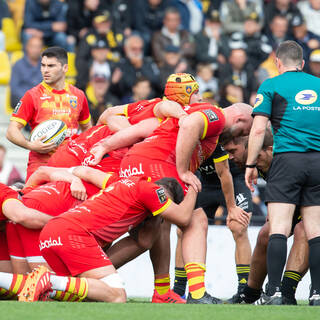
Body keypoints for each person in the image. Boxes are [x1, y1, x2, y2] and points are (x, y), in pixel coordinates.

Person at [18, 176, 198, 303]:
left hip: (52, 231)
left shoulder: (123, 183)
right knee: (117, 295)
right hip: (73, 233)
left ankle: (42, 284)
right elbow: (183, 218)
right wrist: (194, 189)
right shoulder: (153, 190)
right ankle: (49, 280)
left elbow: (144, 242)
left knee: (82, 294)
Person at [245, 40, 320, 306]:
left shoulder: (271, 85)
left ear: (278, 63)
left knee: (278, 226)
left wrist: (251, 165)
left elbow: (257, 130)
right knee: (315, 230)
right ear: (302, 63)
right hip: (318, 161)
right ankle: (317, 294)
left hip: (287, 160)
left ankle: (275, 292)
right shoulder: (319, 85)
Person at [224, 133, 309, 305]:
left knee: (304, 230)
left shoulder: (287, 159)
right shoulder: (260, 163)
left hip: (310, 202)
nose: (255, 161)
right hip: (294, 202)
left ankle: (286, 291)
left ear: (270, 150)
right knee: (265, 233)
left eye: (258, 156)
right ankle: (250, 293)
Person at [173, 142, 252, 303]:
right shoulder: (190, 129)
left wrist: (252, 164)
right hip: (205, 182)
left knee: (239, 227)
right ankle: (179, 289)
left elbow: (249, 138)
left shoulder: (224, 125)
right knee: (183, 229)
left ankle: (244, 291)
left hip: (234, 179)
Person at [6, 46, 92, 181]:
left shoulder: (78, 95)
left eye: (51, 66)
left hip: (70, 166)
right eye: (43, 65)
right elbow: (11, 131)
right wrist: (30, 145)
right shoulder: (32, 95)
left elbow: (87, 129)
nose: (45, 70)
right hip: (41, 166)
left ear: (65, 68)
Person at [10, 36, 43, 108]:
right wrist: (30, 99)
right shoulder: (18, 65)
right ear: (27, 47)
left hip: (41, 101)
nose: (35, 50)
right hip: (22, 100)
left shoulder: (46, 65)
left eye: (38, 47)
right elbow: (14, 89)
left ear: (41, 49)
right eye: (33, 46)